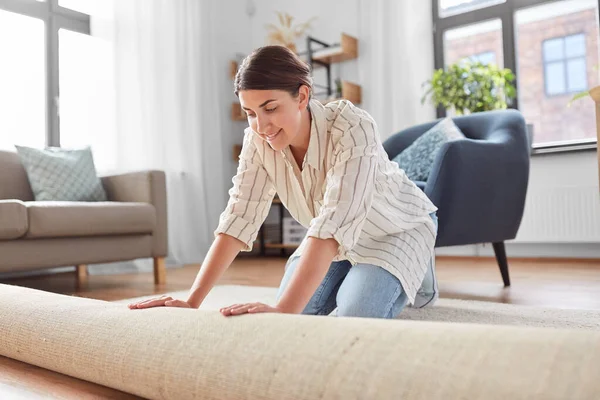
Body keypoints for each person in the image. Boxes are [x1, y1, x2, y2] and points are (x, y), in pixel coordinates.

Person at [128, 45, 439, 319]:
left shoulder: (352, 125)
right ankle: (356, 274)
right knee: (293, 311)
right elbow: (239, 217)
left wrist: (283, 312)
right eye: (250, 113)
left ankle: (419, 277)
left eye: (271, 108)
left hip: (393, 229)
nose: (261, 125)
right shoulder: (257, 140)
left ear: (302, 96)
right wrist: (191, 300)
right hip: (336, 241)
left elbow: (336, 219)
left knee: (355, 313)